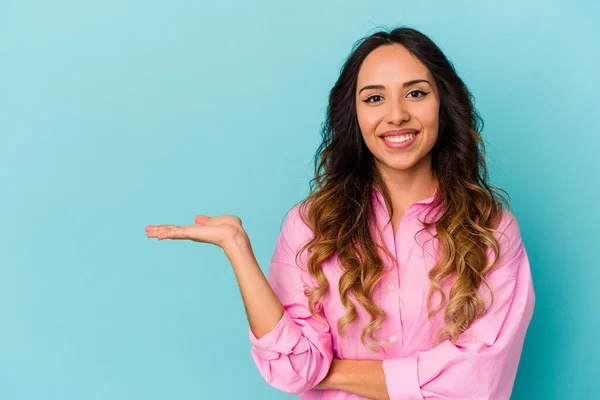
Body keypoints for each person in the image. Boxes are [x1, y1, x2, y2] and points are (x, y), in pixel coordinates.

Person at [145, 26, 535, 400]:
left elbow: (476, 383)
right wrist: (237, 249)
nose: (396, 115)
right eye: (374, 98)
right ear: (354, 115)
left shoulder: (492, 231)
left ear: (444, 106)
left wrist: (326, 371)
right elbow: (290, 370)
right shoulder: (310, 225)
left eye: (415, 93)